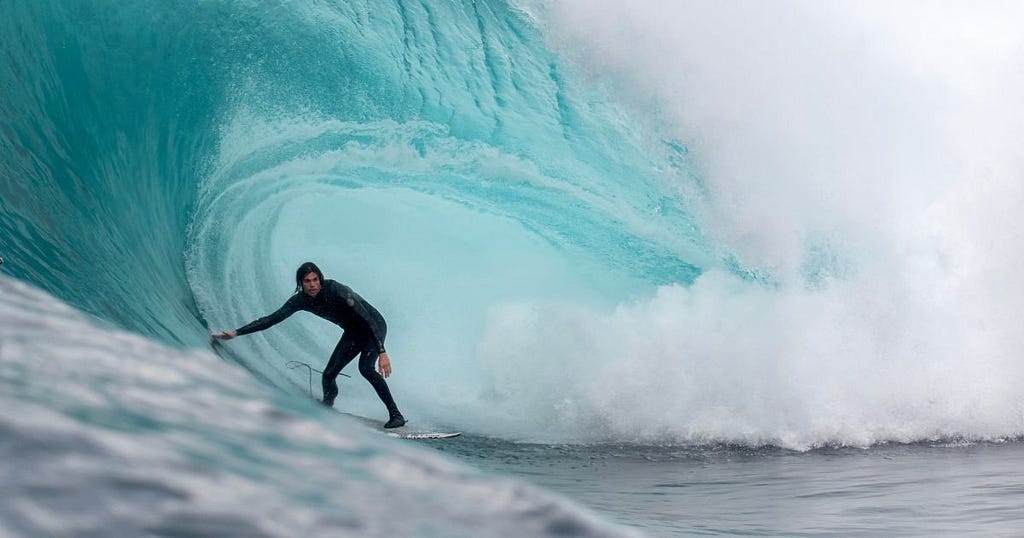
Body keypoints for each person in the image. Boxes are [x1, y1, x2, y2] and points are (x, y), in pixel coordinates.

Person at [213, 262, 406, 428]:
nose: (312, 285)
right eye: (307, 281)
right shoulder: (301, 301)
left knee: (365, 368)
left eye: (315, 280)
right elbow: (272, 319)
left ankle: (396, 415)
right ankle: (327, 406)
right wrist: (236, 332)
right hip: (354, 332)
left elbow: (366, 317)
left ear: (320, 279)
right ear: (301, 283)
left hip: (373, 325)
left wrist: (382, 351)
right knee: (329, 375)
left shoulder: (337, 291)